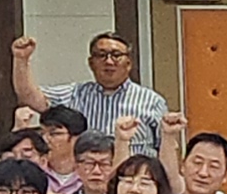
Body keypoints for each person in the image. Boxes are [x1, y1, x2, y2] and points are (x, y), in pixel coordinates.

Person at [10, 28, 175, 156]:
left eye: (116, 55)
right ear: (91, 63)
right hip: (85, 180)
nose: (109, 61)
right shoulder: (75, 94)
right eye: (101, 55)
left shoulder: (151, 101)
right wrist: (21, 59)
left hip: (133, 181)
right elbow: (30, 97)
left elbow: (168, 147)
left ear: (129, 63)